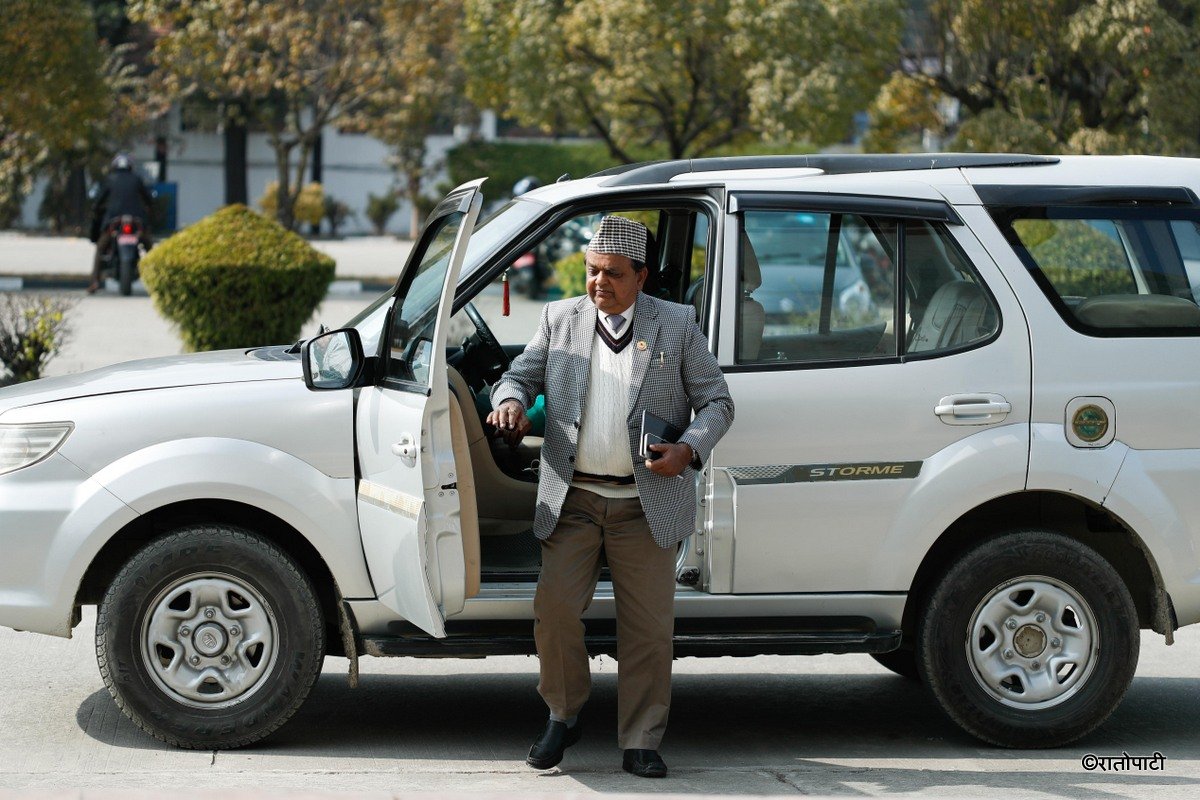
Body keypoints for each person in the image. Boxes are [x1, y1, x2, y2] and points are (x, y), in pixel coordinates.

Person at [487, 215, 734, 778]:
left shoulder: (675, 325)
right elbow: (519, 375)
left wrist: (687, 450)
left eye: (614, 274)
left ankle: (642, 737)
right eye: (592, 271)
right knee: (553, 612)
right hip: (572, 499)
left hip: (645, 504)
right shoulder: (560, 317)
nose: (600, 284)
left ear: (642, 277)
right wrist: (509, 400)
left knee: (647, 628)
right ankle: (564, 712)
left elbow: (718, 402)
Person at [88, 153, 154, 293]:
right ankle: (158, 277)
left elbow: (99, 200)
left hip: (113, 221)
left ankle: (94, 281)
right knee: (149, 247)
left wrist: (96, 208)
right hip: (137, 220)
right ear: (130, 167)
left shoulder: (109, 180)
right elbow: (148, 198)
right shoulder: (137, 179)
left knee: (100, 248)